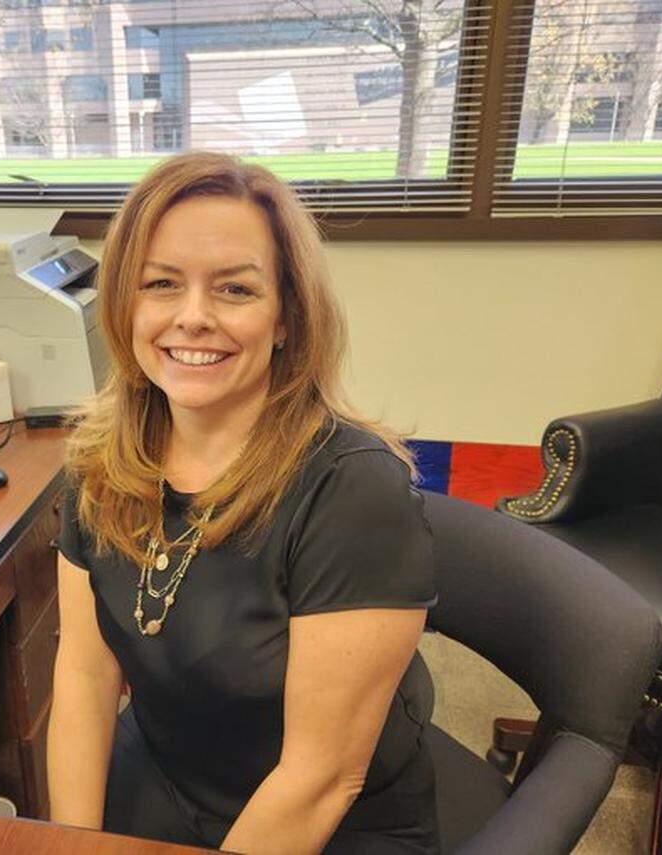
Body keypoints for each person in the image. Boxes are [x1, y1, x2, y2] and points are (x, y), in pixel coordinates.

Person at [48, 151, 438, 854]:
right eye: (160, 284)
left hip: (327, 820)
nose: (193, 317)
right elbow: (84, 672)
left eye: (234, 290)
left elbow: (321, 777)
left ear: (286, 316)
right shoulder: (99, 461)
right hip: (171, 776)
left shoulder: (354, 490)